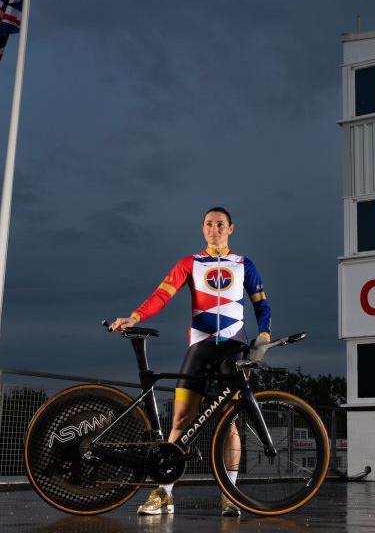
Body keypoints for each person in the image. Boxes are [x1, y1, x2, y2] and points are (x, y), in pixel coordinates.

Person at [109, 206, 271, 517]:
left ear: (231, 228)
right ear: (202, 229)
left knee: (231, 422)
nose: (215, 229)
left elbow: (262, 305)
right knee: (180, 421)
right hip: (199, 348)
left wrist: (264, 333)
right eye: (209, 224)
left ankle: (230, 494)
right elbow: (161, 295)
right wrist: (135, 316)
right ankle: (164, 492)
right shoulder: (190, 263)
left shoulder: (244, 265)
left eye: (220, 224)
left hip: (233, 349)